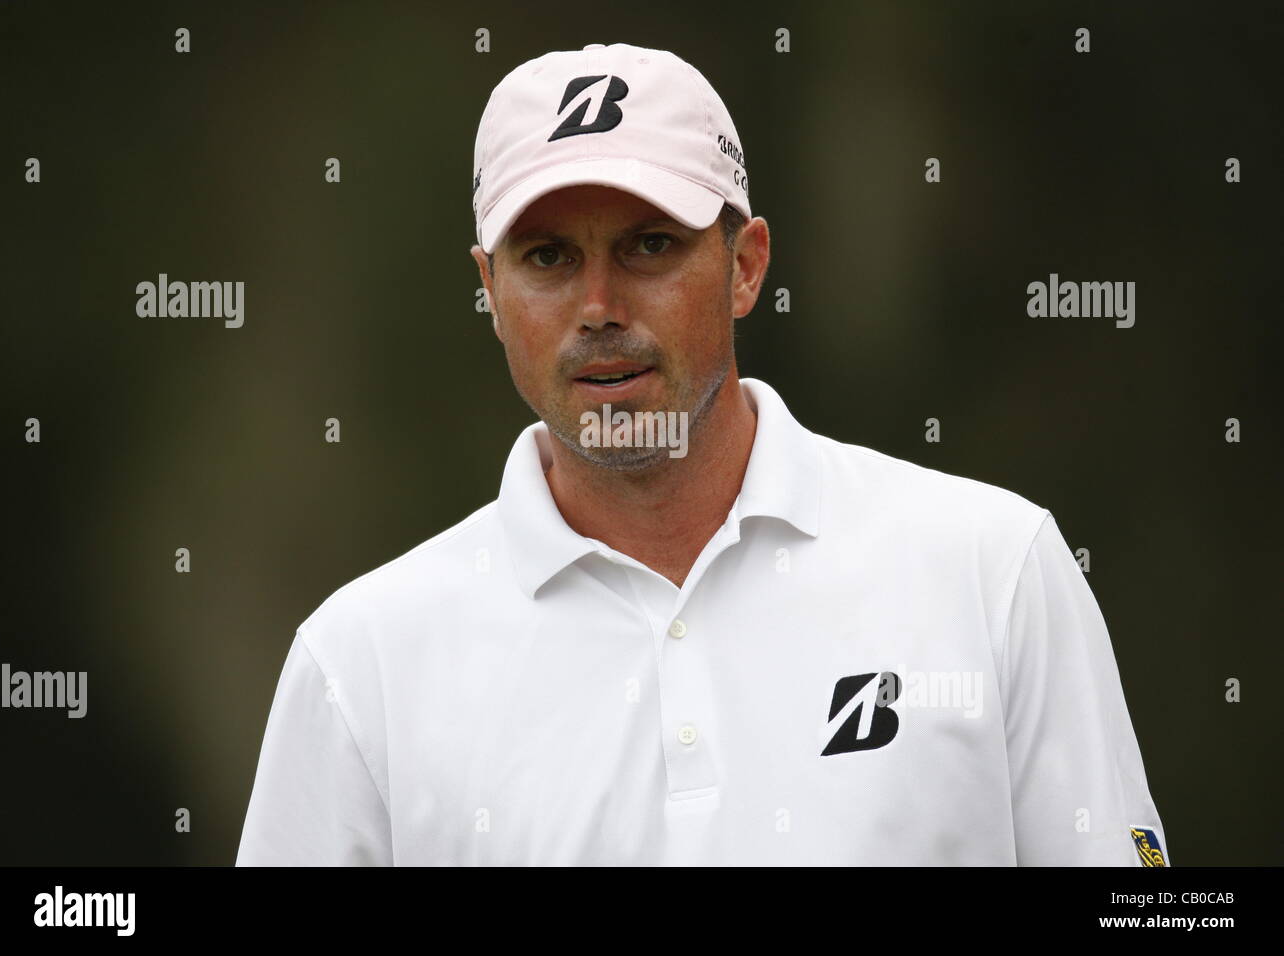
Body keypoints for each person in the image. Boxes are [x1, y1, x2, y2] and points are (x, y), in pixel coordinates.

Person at [236, 42, 1168, 866]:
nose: (598, 305)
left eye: (649, 245)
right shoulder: (361, 665)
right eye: (549, 258)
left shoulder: (989, 570)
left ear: (746, 265)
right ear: (488, 287)